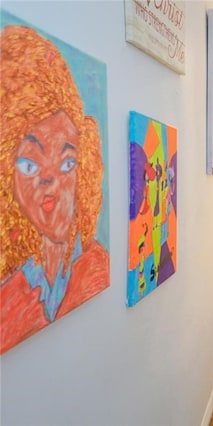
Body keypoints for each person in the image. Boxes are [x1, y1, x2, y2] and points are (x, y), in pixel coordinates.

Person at [0, 25, 109, 354]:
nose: (51, 183)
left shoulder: (97, 267)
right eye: (30, 165)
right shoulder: (10, 295)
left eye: (66, 163)